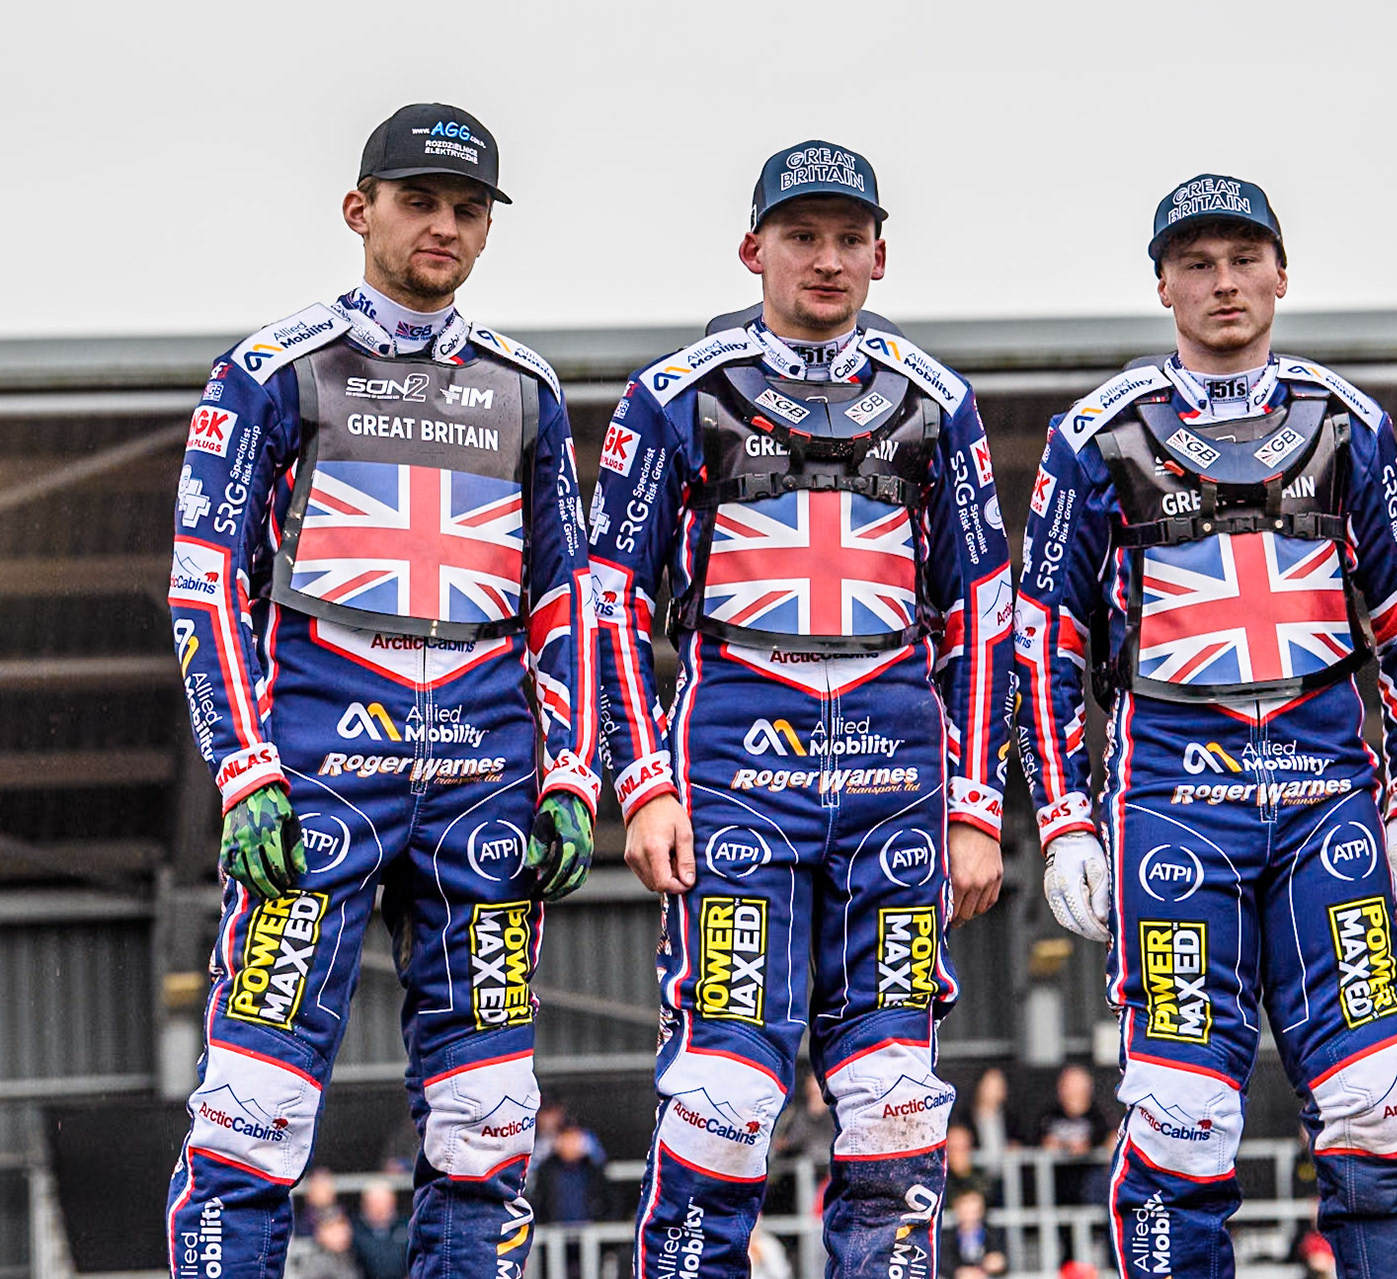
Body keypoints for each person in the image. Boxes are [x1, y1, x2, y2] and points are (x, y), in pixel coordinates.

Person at [163, 103, 601, 1279]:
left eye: (467, 209)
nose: (443, 226)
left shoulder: (528, 389)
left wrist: (573, 771)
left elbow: (571, 601)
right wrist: (245, 767)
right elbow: (203, 580)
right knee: (252, 1106)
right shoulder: (271, 369)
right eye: (420, 201)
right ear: (360, 210)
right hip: (316, 775)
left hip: (485, 783)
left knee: (492, 1116)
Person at [1015, 172, 1397, 1276]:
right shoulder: (1095, 435)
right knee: (1180, 1116)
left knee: (1375, 1102)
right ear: (1161, 282)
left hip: (1326, 810)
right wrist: (1062, 818)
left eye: (1243, 258)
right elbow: (1044, 637)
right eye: (1197, 263)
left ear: (1281, 273)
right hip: (1172, 810)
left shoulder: (1349, 423)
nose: (1223, 283)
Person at [591, 140, 1012, 1277]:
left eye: (846, 238)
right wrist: (643, 784)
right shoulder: (676, 396)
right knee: (723, 1092)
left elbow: (982, 609)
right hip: (738, 773)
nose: (825, 260)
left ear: (881, 252)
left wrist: (977, 807)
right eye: (800, 236)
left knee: (892, 1098)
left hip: (895, 787)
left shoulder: (938, 403)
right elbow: (609, 601)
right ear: (753, 248)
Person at [1032, 1064, 1113, 1207]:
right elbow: (1036, 1140)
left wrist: (1087, 1147)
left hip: (1087, 1189)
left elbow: (1107, 1139)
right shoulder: (1049, 1115)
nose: (1071, 1092)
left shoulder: (1099, 1117)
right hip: (1054, 1189)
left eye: (1076, 1087)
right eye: (1068, 1087)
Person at [938, 1188, 1008, 1279]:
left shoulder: (994, 1234)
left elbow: (1003, 1259)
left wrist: (998, 1262)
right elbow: (943, 1263)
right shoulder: (945, 1237)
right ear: (957, 1209)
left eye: (974, 1211)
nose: (970, 1216)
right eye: (966, 1211)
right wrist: (958, 1272)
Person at [350, 1181, 409, 1279]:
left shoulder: (406, 1226)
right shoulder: (354, 1230)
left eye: (384, 1202)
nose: (380, 1208)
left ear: (393, 1202)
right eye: (374, 1203)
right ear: (364, 1204)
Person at [289, 1208, 362, 1279]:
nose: (342, 1234)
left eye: (343, 1228)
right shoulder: (315, 1263)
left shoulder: (350, 1256)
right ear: (319, 1233)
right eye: (334, 1231)